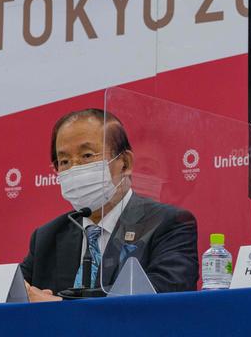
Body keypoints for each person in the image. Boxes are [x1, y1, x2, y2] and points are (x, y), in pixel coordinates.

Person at [21, 109, 199, 301]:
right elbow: (12, 291)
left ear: (125, 163)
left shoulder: (169, 224)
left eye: (87, 156)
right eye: (64, 161)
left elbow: (165, 295)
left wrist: (62, 306)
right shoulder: (47, 236)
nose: (75, 168)